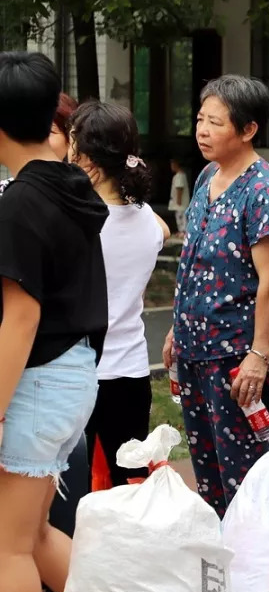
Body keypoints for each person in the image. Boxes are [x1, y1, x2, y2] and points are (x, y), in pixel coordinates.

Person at [0, 51, 108, 592]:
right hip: (68, 377)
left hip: (36, 382)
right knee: (35, 536)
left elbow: (18, 320)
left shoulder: (19, 204)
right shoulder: (68, 184)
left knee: (7, 550)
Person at [161, 74, 269, 518]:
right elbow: (195, 260)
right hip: (194, 348)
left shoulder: (261, 189)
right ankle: (217, 570)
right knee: (206, 469)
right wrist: (177, 328)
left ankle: (254, 573)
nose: (203, 131)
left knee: (243, 473)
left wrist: (259, 354)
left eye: (216, 123)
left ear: (248, 130)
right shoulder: (208, 175)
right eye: (199, 119)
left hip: (234, 357)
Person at [68, 101, 171, 487]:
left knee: (71, 488)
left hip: (78, 370)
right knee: (128, 482)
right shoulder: (148, 221)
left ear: (87, 158)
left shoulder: (78, 221)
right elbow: (158, 229)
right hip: (130, 370)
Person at [169, 157, 190, 237]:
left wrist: (178, 199)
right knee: (179, 215)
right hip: (179, 201)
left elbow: (179, 188)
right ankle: (181, 230)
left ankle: (183, 231)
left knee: (181, 216)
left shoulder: (179, 176)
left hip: (180, 201)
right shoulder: (179, 175)